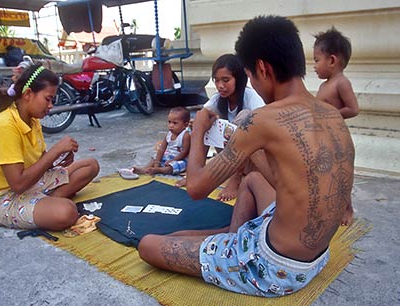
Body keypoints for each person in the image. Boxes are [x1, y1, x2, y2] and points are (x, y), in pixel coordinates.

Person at [138, 15, 355, 297]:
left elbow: (196, 187)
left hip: (276, 266)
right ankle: (231, 238)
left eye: (250, 76)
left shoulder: (262, 119)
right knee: (252, 179)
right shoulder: (332, 114)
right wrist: (242, 146)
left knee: (148, 245)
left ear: (262, 69)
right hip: (316, 257)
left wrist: (202, 128)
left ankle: (231, 248)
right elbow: (288, 181)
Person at [0, 64, 99, 231]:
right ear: (28, 94)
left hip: (32, 183)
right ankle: (49, 203)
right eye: (48, 99)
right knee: (67, 212)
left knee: (90, 165)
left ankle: (47, 200)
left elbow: (41, 162)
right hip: (4, 198)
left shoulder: (32, 119)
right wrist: (55, 151)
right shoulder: (4, 126)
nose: (50, 106)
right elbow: (17, 185)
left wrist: (59, 158)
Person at [175, 54, 265, 200]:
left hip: (253, 160)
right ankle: (197, 173)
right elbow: (202, 116)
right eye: (216, 80)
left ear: (239, 79)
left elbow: (263, 130)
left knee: (245, 117)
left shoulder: (251, 97)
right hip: (230, 159)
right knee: (205, 120)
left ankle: (235, 180)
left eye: (226, 80)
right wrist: (197, 125)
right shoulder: (218, 99)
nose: (220, 86)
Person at [313, 27, 359, 119]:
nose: (314, 66)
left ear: (332, 61)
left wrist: (331, 115)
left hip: (334, 131)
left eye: (317, 60)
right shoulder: (323, 85)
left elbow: (353, 109)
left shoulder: (341, 83)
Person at [133, 106, 191, 176]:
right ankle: (145, 169)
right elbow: (162, 149)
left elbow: (185, 152)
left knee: (174, 166)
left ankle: (159, 170)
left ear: (185, 125)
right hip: (168, 156)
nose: (171, 125)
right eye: (169, 122)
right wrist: (157, 161)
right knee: (155, 157)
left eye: (175, 123)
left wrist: (174, 160)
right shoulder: (169, 134)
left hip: (180, 159)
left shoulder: (185, 135)